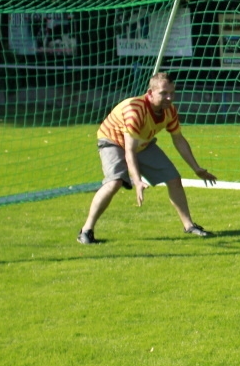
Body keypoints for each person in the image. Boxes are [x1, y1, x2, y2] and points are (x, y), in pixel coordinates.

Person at [77, 72, 217, 244]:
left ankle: (189, 226)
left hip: (142, 143)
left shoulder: (169, 110)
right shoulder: (134, 110)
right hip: (113, 141)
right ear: (150, 93)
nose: (169, 98)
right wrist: (137, 181)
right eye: (164, 93)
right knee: (114, 183)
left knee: (174, 178)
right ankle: (86, 231)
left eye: (172, 93)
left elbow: (178, 139)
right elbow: (129, 150)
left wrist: (196, 168)